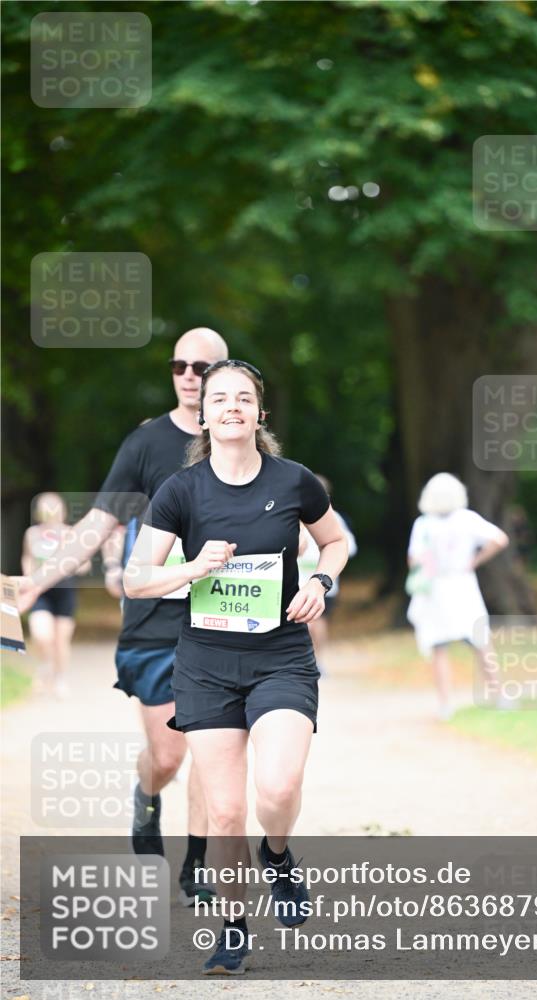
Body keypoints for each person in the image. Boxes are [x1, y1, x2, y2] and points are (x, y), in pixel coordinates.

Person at [123, 360, 348, 975]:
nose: (230, 406)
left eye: (242, 397)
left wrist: (322, 580)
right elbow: (136, 580)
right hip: (205, 665)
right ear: (203, 414)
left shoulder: (295, 481)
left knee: (276, 788)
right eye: (218, 398)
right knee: (224, 813)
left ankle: (277, 855)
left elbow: (335, 540)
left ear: (258, 412)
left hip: (281, 657)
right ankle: (232, 925)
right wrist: (194, 568)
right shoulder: (180, 490)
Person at [17, 327, 228, 905]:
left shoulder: (240, 443)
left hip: (219, 620)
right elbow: (96, 526)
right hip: (153, 619)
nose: (189, 375)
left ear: (225, 374)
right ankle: (147, 793)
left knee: (210, 747)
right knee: (169, 754)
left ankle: (198, 868)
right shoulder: (146, 444)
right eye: (178, 365)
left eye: (201, 366)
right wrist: (37, 580)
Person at [406, 473, 509, 720]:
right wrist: (474, 561)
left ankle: (445, 703)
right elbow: (499, 539)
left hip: (437, 587)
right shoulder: (467, 520)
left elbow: (413, 559)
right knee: (482, 642)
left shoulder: (424, 524)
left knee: (438, 646)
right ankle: (499, 694)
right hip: (462, 584)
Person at [21, 492, 91, 699]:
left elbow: (85, 565)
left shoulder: (71, 533)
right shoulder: (32, 534)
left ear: (62, 511)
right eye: (45, 508)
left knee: (61, 640)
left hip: (65, 591)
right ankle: (44, 665)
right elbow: (27, 558)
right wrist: (28, 578)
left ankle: (59, 678)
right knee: (42, 634)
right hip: (40, 590)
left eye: (54, 508)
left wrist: (70, 564)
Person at [297, 475, 357, 670]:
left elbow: (348, 546)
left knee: (316, 622)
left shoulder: (333, 519)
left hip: (323, 581)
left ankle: (316, 660)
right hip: (300, 581)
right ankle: (311, 661)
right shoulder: (294, 516)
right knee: (313, 622)